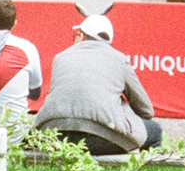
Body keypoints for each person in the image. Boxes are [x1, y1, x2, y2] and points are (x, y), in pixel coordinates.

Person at [34, 14, 162, 156]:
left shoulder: (60, 57)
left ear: (81, 36)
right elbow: (146, 110)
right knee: (155, 132)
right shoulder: (119, 59)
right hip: (101, 138)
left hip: (54, 134)